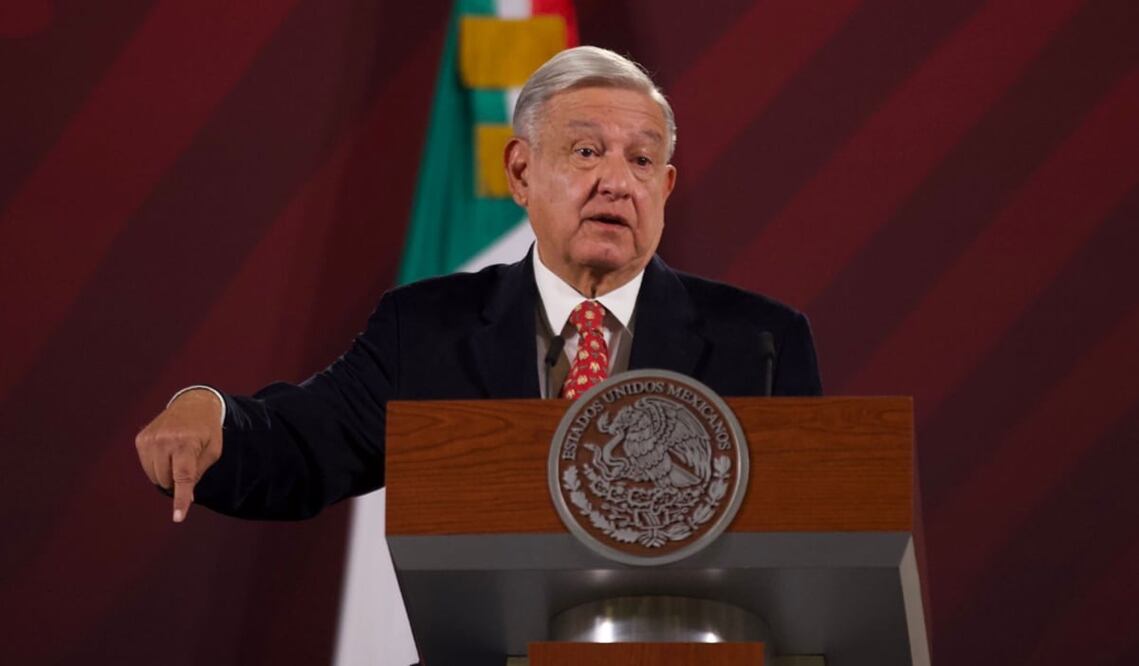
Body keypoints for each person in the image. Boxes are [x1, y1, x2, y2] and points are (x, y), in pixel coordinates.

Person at [135, 46, 822, 523]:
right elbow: (303, 443)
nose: (617, 180)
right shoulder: (428, 329)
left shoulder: (760, 345)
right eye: (586, 151)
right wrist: (209, 415)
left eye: (641, 160)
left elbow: (814, 540)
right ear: (519, 172)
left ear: (665, 187)